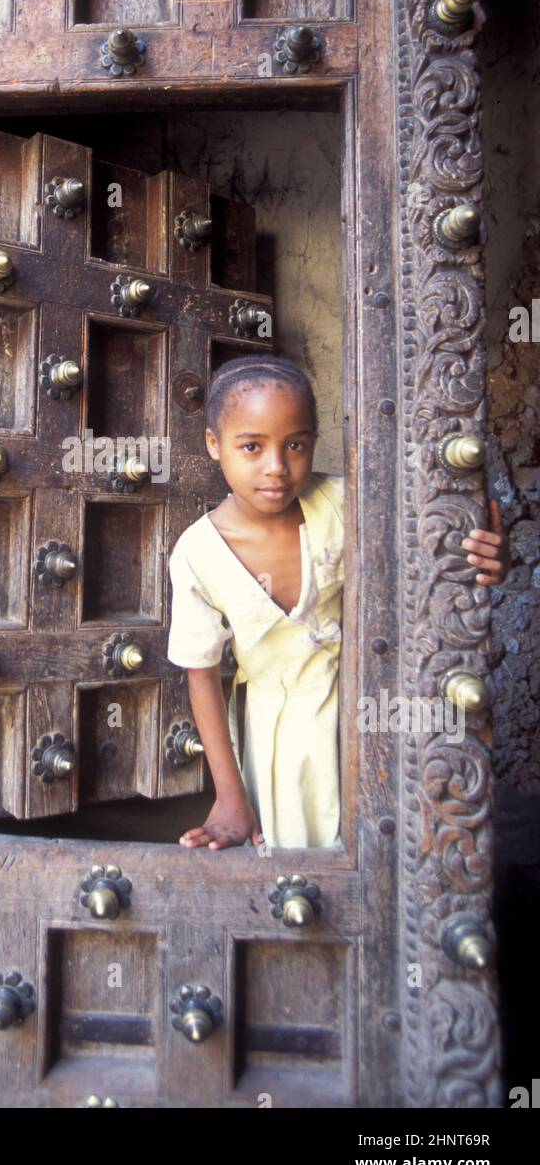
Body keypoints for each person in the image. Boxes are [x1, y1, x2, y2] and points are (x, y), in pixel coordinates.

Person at [166, 355, 511, 851]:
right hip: (277, 738)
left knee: (395, 851)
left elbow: (442, 551)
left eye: (296, 445)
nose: (277, 468)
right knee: (298, 863)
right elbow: (200, 674)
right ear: (214, 445)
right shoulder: (197, 554)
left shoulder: (348, 504)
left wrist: (491, 561)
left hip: (373, 714)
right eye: (251, 446)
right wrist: (229, 794)